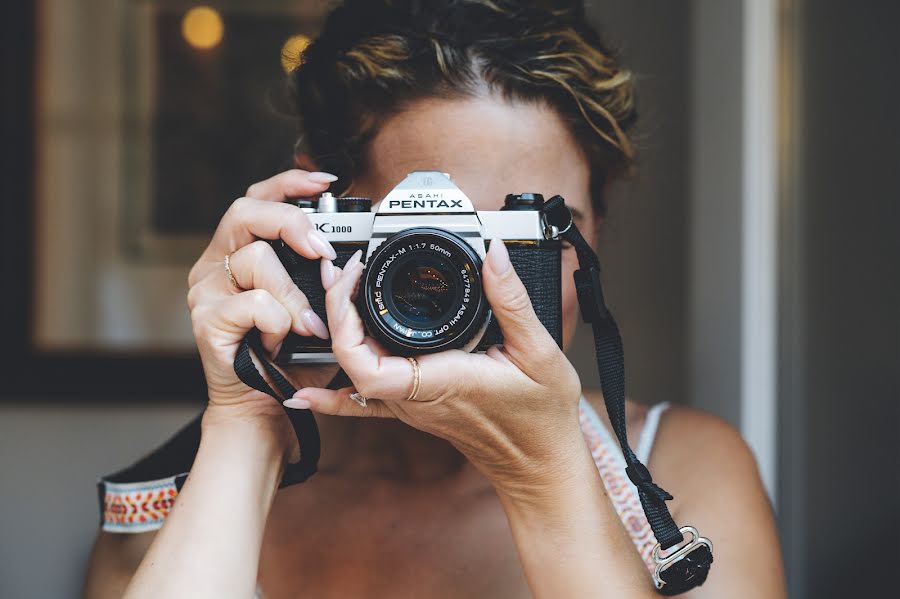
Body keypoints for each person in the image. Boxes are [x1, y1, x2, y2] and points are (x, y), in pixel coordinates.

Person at [84, 1, 785, 597]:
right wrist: (248, 426)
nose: (482, 282)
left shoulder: (686, 472)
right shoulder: (174, 504)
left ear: (597, 226)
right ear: (320, 218)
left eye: (522, 234)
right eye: (435, 240)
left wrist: (546, 476)